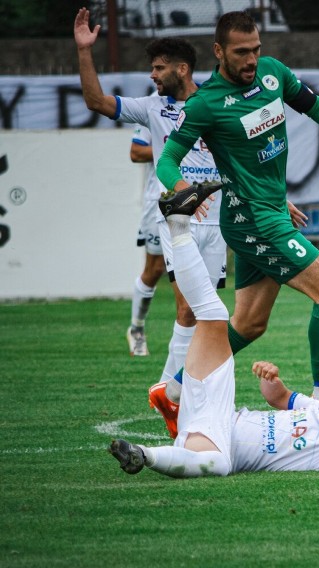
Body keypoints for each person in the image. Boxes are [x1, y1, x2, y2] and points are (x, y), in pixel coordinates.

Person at [108, 192, 319, 477]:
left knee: (216, 464)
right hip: (219, 408)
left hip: (212, 443)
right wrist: (269, 376)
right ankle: (178, 225)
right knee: (215, 315)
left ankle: (143, 455)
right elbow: (278, 397)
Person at [154, 11, 319, 404]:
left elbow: (314, 106)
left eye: (256, 49)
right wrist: (183, 189)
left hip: (271, 211)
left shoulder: (272, 73)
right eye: (241, 52)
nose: (251, 59)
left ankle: (174, 389)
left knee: (248, 325)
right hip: (253, 220)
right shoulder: (206, 104)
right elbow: (166, 160)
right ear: (219, 52)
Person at [74, 12, 234, 437]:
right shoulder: (152, 106)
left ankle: (170, 391)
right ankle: (171, 396)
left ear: (182, 68)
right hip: (178, 219)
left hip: (217, 222)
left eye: (159, 67)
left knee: (206, 315)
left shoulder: (216, 100)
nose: (153, 75)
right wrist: (84, 51)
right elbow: (97, 102)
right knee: (187, 307)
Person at [126, 125, 165, 356]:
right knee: (156, 268)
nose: (156, 85)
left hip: (199, 200)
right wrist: (177, 147)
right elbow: (136, 152)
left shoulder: (207, 98)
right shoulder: (153, 105)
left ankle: (194, 337)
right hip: (159, 200)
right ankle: (137, 328)